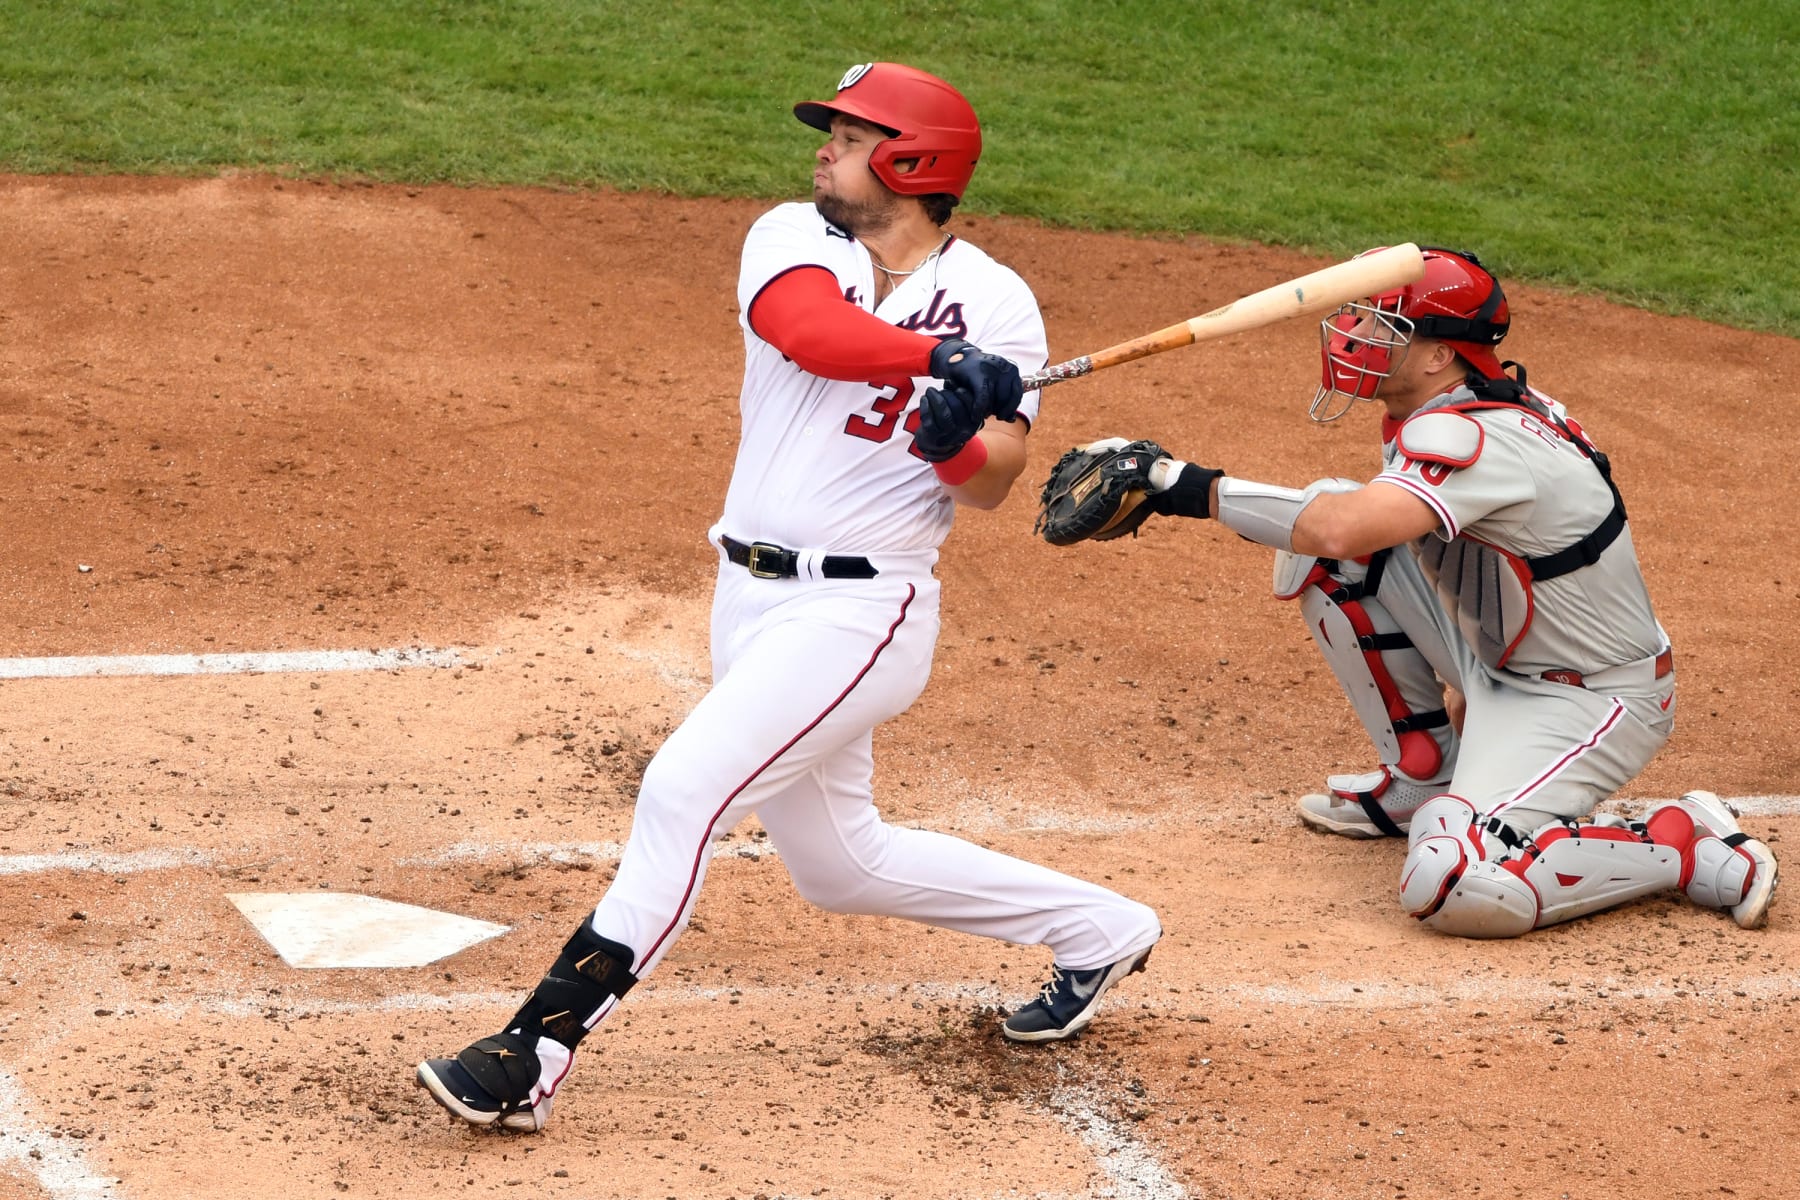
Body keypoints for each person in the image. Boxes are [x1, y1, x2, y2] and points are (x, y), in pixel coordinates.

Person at [415, 61, 1161, 1133]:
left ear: (912, 162)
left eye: (850, 135)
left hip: (863, 614)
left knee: (683, 789)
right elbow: (808, 330)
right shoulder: (793, 236)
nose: (823, 147)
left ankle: (534, 1048)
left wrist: (955, 444)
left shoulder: (1000, 300)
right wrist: (935, 358)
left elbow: (997, 477)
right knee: (840, 863)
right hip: (749, 597)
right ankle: (1101, 927)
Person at [1050, 246, 1777, 938]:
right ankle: (1425, 774)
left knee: (1453, 883)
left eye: (1382, 323)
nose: (1357, 333)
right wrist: (1466, 676)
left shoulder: (1477, 438)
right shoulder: (1442, 408)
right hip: (1502, 657)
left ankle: (1685, 845)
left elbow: (1339, 527)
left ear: (1438, 353)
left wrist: (1177, 484)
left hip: (1587, 697)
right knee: (1328, 550)